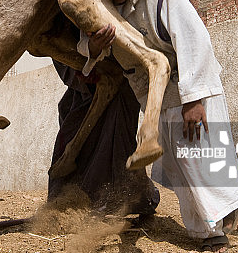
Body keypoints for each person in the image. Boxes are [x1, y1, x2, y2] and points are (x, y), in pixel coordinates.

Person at [78, 0, 238, 253]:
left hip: (190, 89)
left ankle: (212, 234)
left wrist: (194, 100)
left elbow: (195, 42)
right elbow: (86, 48)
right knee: (182, 164)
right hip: (154, 95)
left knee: (201, 159)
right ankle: (222, 220)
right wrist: (94, 47)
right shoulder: (100, 3)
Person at [48, 59, 160, 217]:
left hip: (117, 75)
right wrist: (86, 61)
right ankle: (68, 200)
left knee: (114, 137)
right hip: (85, 79)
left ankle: (115, 200)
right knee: (71, 121)